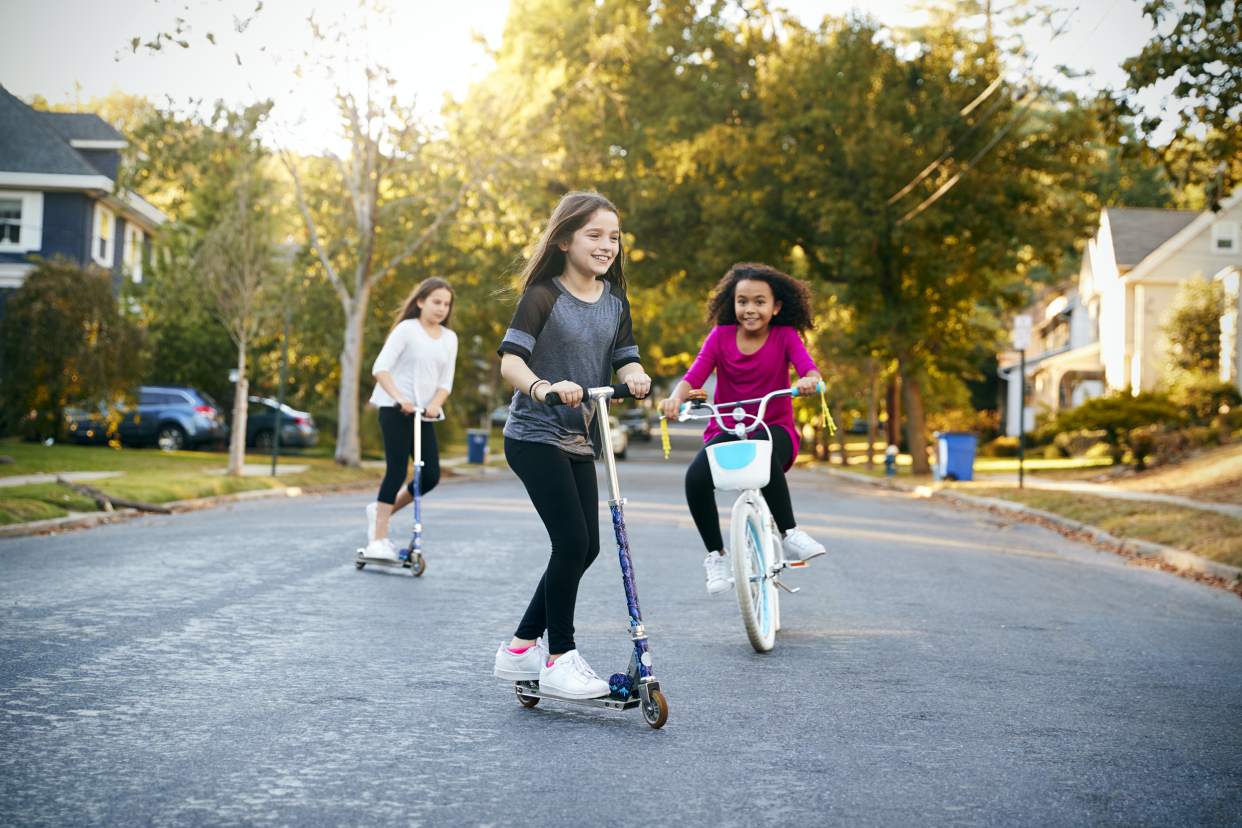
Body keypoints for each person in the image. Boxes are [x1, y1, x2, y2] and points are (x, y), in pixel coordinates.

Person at [491, 191, 651, 700]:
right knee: (572, 542)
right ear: (564, 240)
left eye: (614, 237)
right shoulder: (543, 296)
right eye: (595, 235)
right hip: (534, 435)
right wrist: (543, 387)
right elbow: (510, 362)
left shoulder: (615, 302)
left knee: (588, 547)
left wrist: (637, 374)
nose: (608, 246)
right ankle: (559, 655)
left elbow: (625, 359)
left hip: (580, 436)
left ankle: (520, 648)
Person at [658, 262, 827, 596]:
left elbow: (810, 370)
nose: (750, 309)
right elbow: (694, 376)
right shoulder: (720, 337)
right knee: (695, 478)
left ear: (776, 306)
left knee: (762, 446)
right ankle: (716, 556)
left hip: (774, 428)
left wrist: (810, 382)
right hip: (728, 428)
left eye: (760, 301)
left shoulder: (785, 336)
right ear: (731, 304)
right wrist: (674, 400)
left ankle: (790, 533)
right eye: (742, 301)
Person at [362, 277, 458, 561]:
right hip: (394, 409)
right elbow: (380, 368)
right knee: (397, 470)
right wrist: (399, 398)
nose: (442, 308)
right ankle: (377, 539)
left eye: (446, 304)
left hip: (423, 414)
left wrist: (434, 405)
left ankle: (380, 509)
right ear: (420, 301)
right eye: (436, 302)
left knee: (429, 476)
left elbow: (446, 382)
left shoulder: (449, 338)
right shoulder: (407, 329)